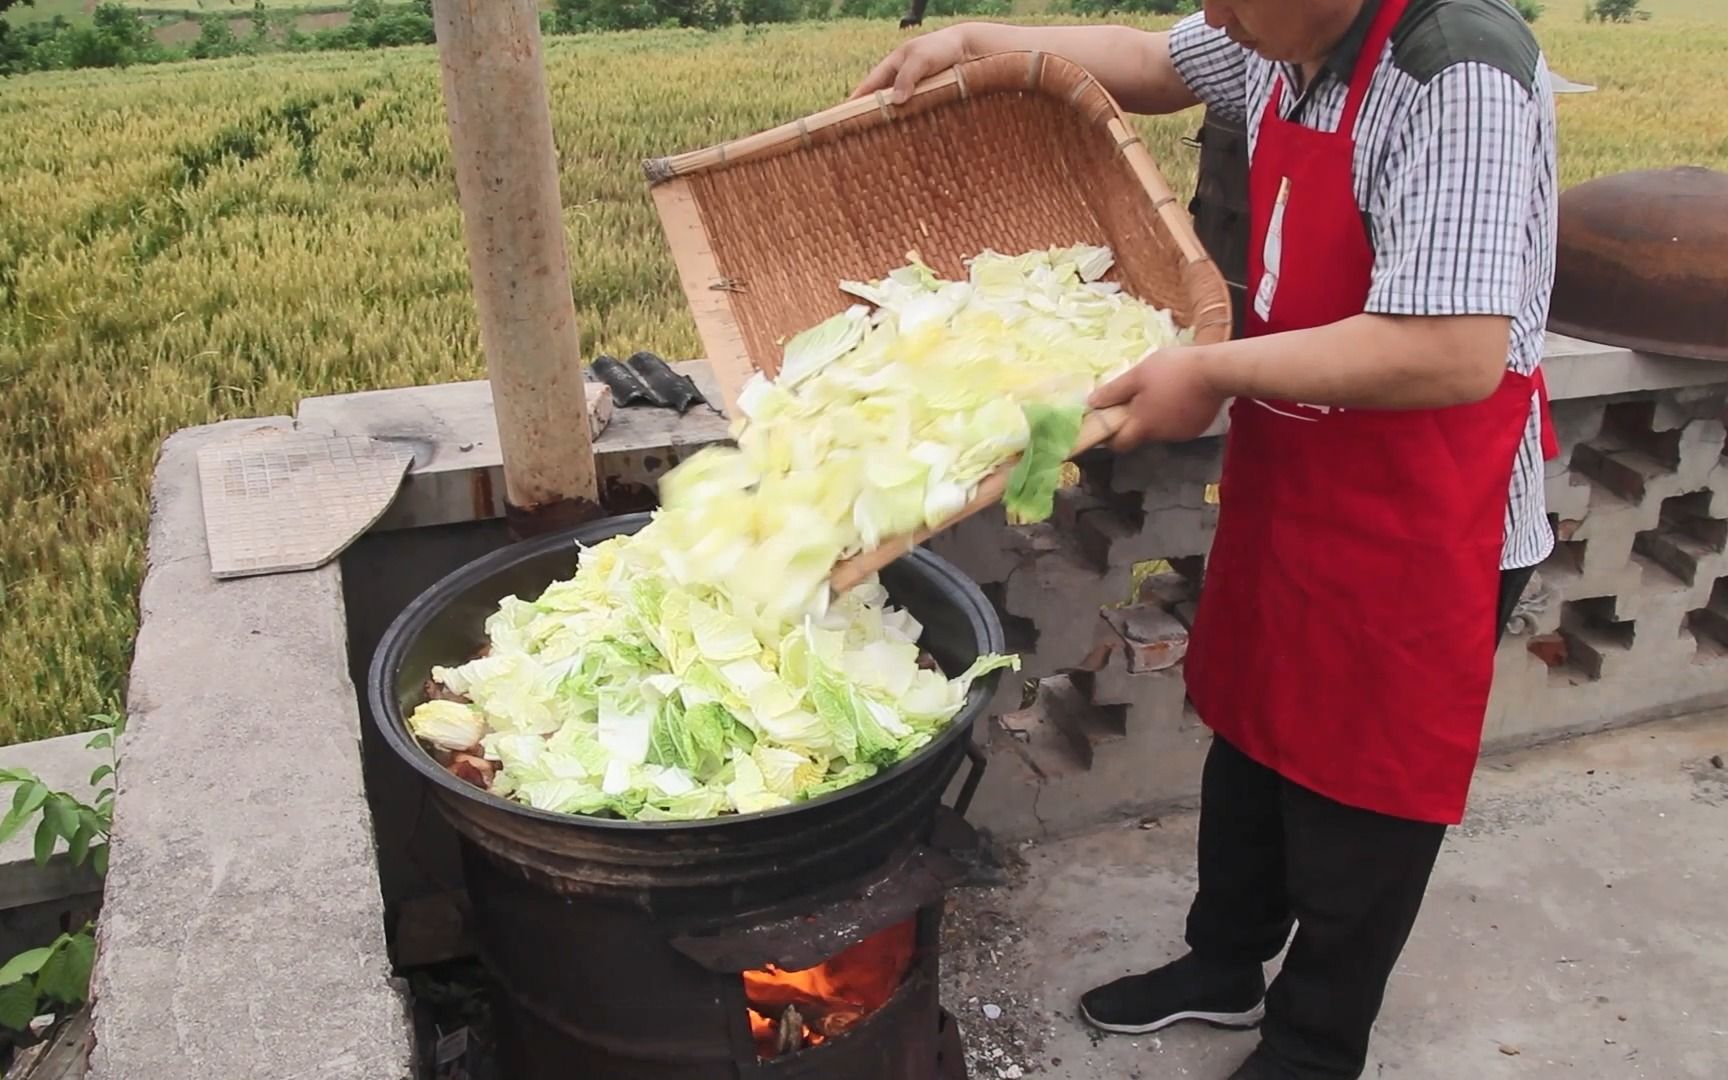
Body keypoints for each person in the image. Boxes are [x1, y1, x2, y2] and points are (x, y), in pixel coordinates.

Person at [853, 2, 1560, 1077]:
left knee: (1359, 802)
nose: (1215, 10)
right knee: (1253, 739)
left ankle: (1315, 1044)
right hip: (1300, 476)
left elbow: (1452, 349)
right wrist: (974, 42)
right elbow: (1145, 61)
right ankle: (1224, 963)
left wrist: (1211, 371)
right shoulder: (1287, 32)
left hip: (1430, 513)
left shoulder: (1455, 71)